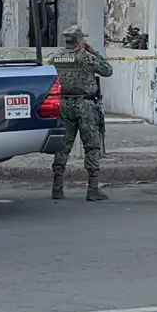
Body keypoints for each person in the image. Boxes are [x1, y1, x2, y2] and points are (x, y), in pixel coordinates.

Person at [48, 25, 114, 202]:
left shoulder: (56, 57)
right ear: (79, 40)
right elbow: (107, 70)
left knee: (62, 146)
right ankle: (93, 188)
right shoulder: (86, 57)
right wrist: (94, 52)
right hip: (85, 105)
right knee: (91, 146)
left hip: (63, 104)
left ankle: (57, 187)